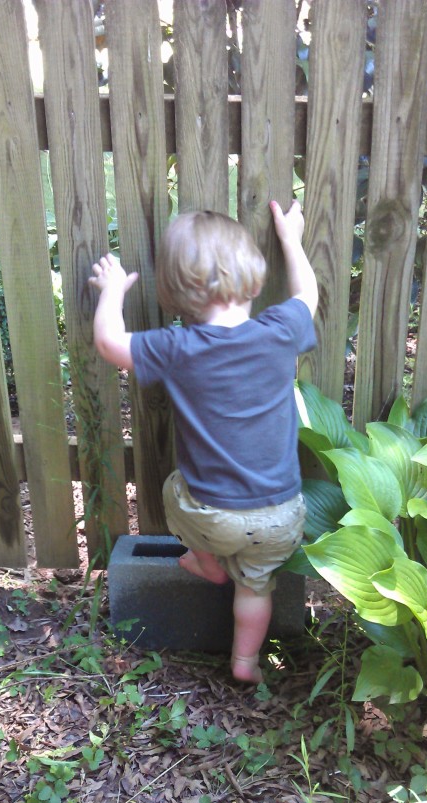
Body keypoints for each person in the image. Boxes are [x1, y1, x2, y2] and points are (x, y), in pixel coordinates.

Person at [89, 201, 318, 684]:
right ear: (253, 278)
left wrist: (112, 292)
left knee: (177, 486)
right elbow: (308, 294)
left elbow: (110, 343)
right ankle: (245, 662)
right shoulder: (279, 331)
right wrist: (292, 240)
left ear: (174, 294)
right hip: (279, 517)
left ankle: (207, 562)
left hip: (209, 518)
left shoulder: (178, 348)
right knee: (256, 590)